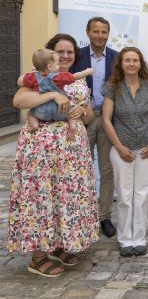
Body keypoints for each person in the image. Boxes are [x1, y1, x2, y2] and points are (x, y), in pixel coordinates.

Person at [9, 33, 99, 278]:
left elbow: (89, 116)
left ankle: (57, 246)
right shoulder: (38, 75)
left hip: (71, 154)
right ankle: (37, 257)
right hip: (40, 150)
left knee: (62, 198)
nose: (65, 56)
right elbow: (19, 100)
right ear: (51, 53)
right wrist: (52, 95)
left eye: (70, 52)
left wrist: (80, 111)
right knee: (39, 197)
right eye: (60, 52)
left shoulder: (76, 81)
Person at [102, 47, 148, 257]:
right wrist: (118, 146)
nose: (132, 64)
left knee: (142, 194)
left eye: (135, 60)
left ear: (140, 63)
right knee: (125, 195)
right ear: (121, 63)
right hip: (121, 148)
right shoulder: (112, 87)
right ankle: (126, 238)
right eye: (128, 60)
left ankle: (140, 238)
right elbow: (107, 119)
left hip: (145, 147)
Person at [72, 16, 118, 238]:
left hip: (108, 120)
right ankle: (83, 214)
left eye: (104, 32)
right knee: (82, 168)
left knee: (107, 170)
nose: (100, 36)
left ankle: (104, 217)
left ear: (108, 33)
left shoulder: (116, 58)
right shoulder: (76, 56)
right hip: (83, 119)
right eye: (96, 32)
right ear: (88, 32)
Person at [18, 49, 93, 139]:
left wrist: (29, 75)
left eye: (69, 52)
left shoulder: (32, 77)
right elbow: (75, 76)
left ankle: (34, 125)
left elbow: (20, 82)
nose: (58, 65)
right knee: (71, 113)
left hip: (40, 111)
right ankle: (72, 129)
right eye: (57, 64)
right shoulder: (58, 77)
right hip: (59, 110)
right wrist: (87, 72)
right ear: (50, 67)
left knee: (30, 113)